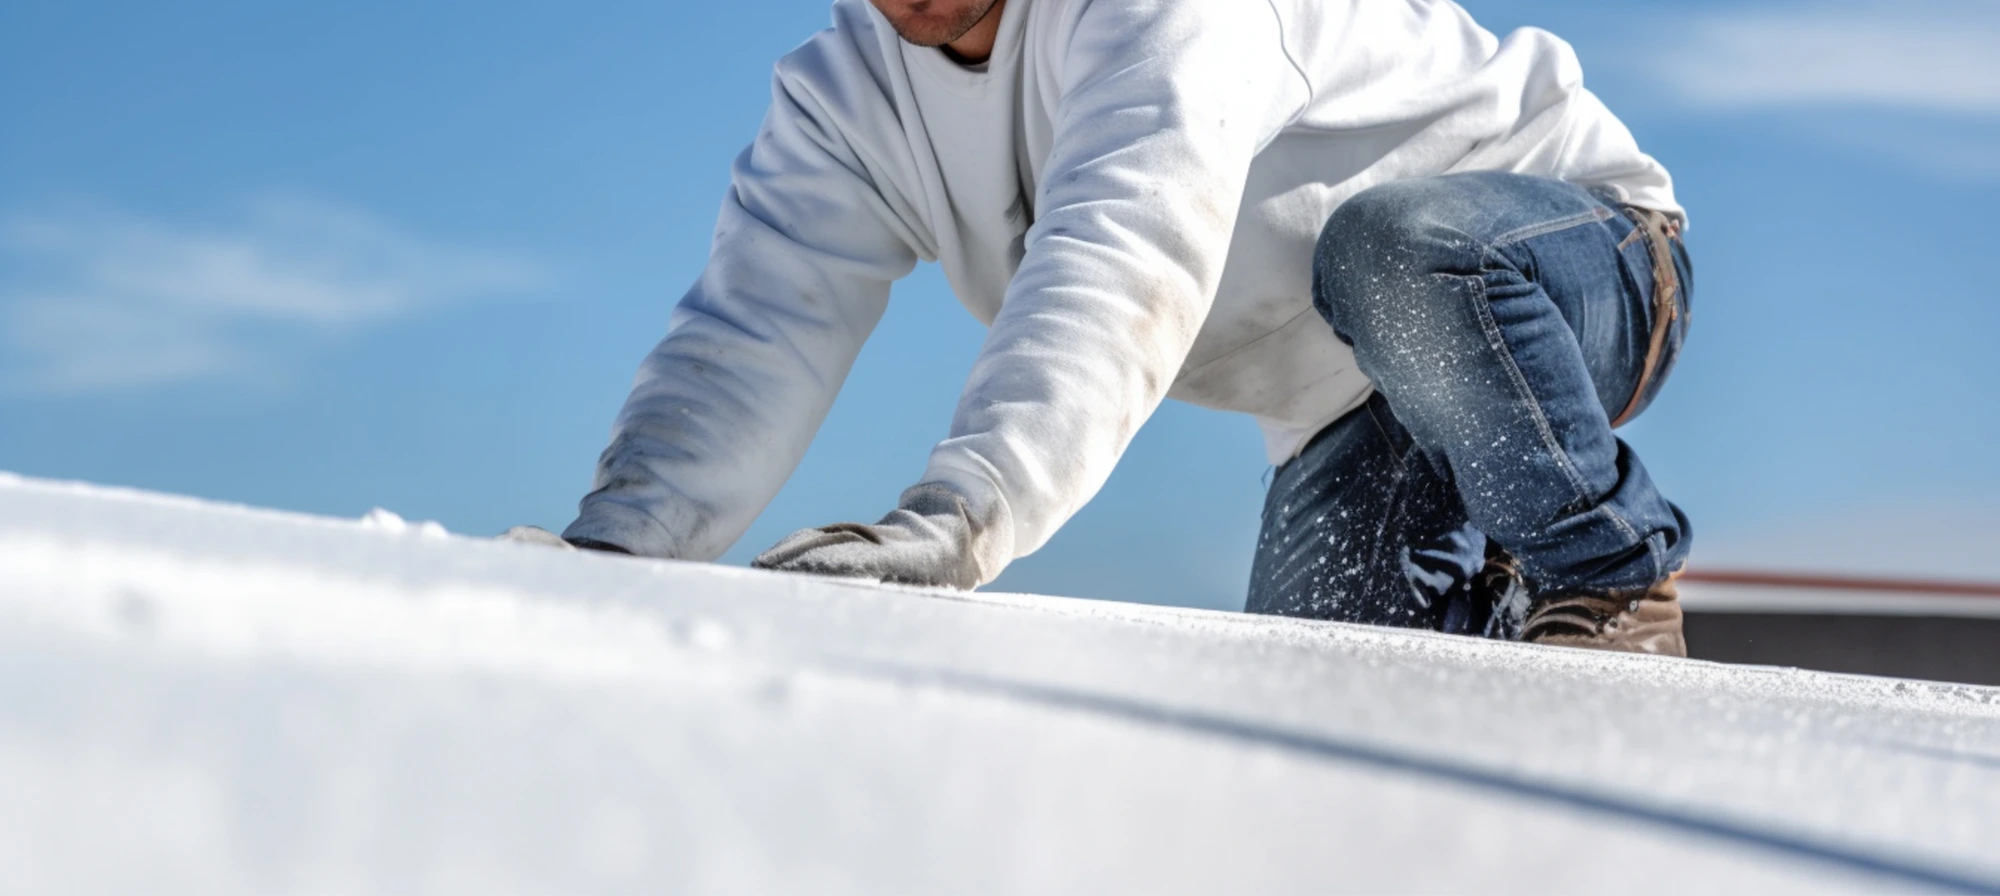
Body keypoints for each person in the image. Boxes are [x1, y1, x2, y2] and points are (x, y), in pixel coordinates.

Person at [509, 0, 1693, 655]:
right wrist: (626, 544)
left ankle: (1605, 571)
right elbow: (759, 322)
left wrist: (961, 520)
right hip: (1346, 409)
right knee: (1313, 702)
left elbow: (1122, 242)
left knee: (1388, 250)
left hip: (1572, 257)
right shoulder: (842, 105)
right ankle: (1485, 595)